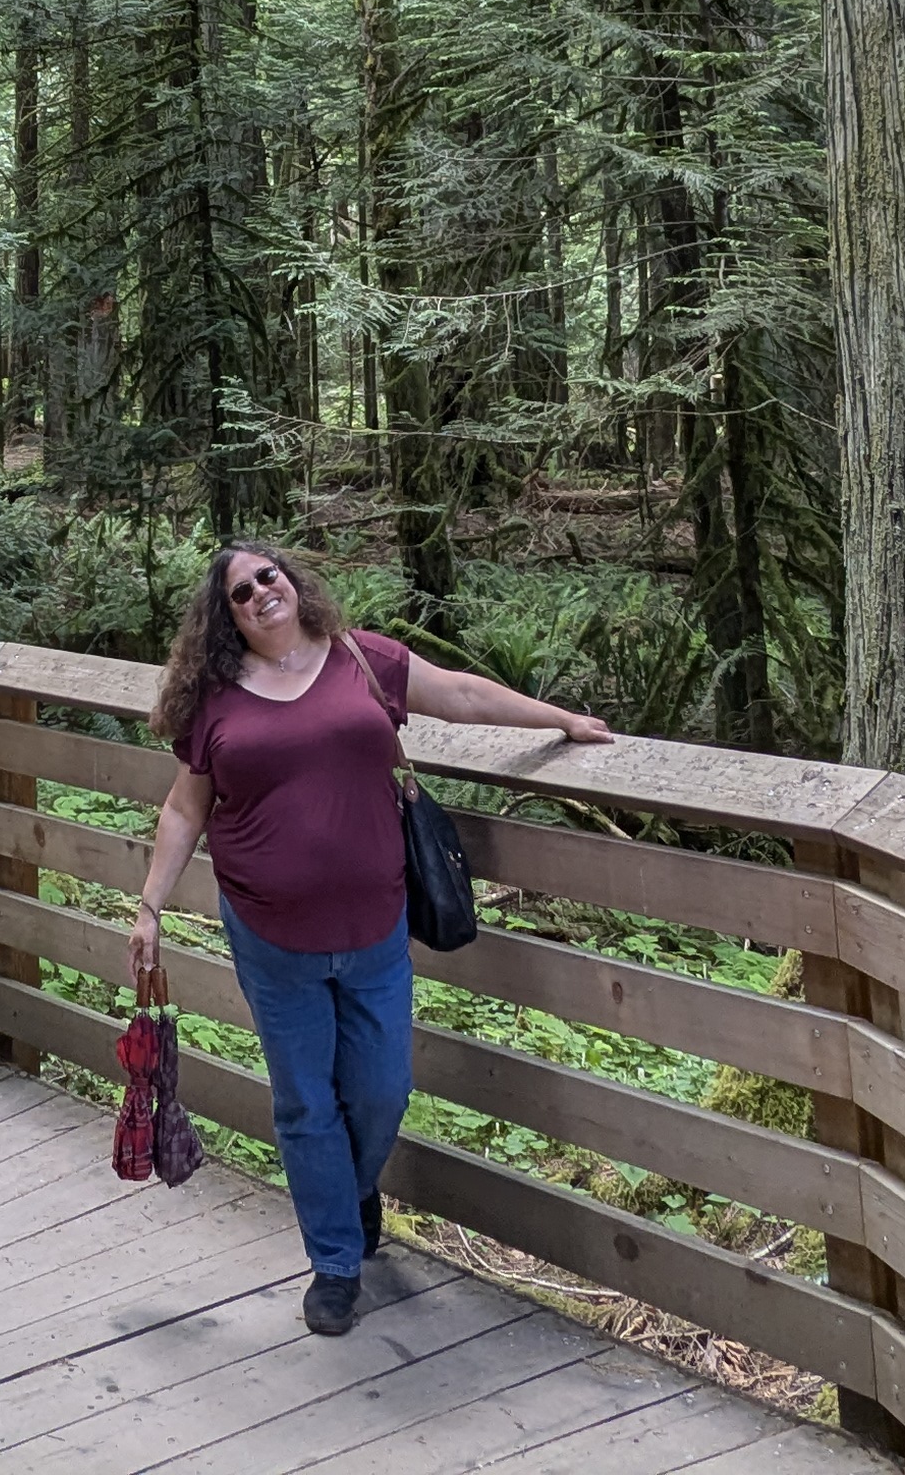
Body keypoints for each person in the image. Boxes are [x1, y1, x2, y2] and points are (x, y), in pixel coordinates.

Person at [125, 542, 613, 1336]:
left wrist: (556, 719)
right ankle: (336, 1263)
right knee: (305, 1102)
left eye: (267, 577)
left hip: (376, 927)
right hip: (270, 935)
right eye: (240, 592)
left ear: (292, 580)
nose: (259, 594)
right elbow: (186, 809)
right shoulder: (216, 699)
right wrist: (149, 905)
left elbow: (458, 693)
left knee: (381, 1090)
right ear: (226, 617)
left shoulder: (360, 658)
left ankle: (349, 1191)